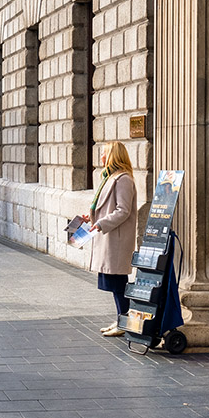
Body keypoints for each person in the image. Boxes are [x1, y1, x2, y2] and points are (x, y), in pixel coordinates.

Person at [83, 141, 138, 337]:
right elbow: (104, 207)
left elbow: (123, 210)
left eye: (104, 153)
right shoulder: (110, 177)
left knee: (118, 283)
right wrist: (91, 218)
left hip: (116, 239)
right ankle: (122, 319)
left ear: (113, 156)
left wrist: (101, 224)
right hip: (108, 236)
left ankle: (125, 321)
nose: (101, 157)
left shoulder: (123, 179)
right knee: (115, 283)